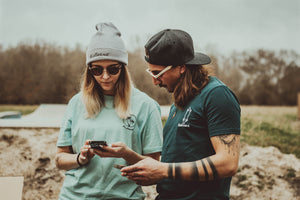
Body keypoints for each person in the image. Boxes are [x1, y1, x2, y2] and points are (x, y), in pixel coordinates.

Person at [121, 29, 241, 200]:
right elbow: (173, 167)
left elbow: (228, 163)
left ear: (182, 67)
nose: (154, 81)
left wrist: (162, 170)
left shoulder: (217, 95)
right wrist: (128, 155)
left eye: (158, 73)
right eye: (151, 72)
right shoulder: (180, 102)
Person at [55, 22, 163, 200]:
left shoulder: (146, 106)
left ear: (123, 68)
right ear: (89, 70)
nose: (105, 76)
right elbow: (60, 159)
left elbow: (154, 167)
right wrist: (80, 158)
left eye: (113, 69)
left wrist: (126, 154)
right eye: (97, 69)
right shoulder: (76, 103)